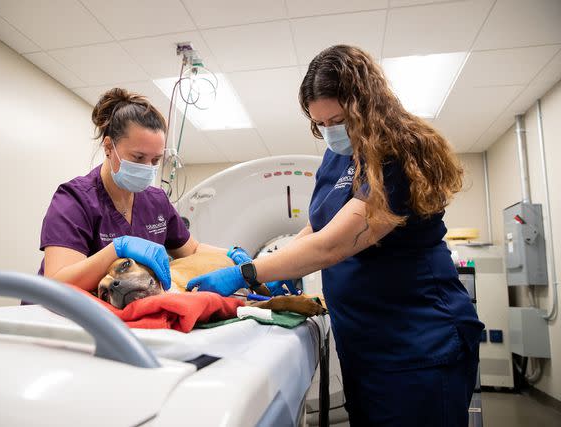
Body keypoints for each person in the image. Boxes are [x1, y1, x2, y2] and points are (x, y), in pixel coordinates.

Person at [186, 45, 484, 426]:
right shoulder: (337, 156)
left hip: (417, 342)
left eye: (338, 120)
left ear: (366, 105)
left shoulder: (401, 152)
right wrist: (284, 263)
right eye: (320, 124)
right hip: (364, 342)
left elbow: (333, 243)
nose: (330, 132)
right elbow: (319, 227)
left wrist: (247, 274)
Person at [38, 88, 250, 292]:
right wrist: (116, 249)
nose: (148, 168)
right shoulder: (75, 199)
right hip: (58, 316)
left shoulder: (156, 201)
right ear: (109, 147)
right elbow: (57, 283)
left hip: (123, 315)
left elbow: (192, 250)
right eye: (138, 158)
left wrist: (233, 254)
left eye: (155, 159)